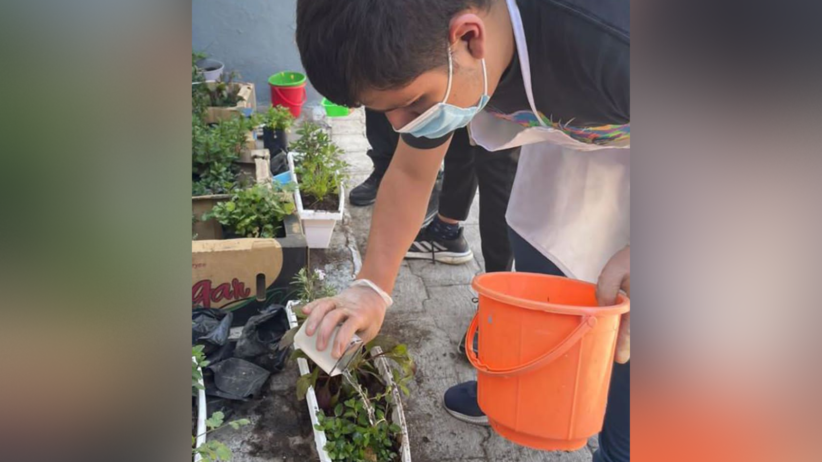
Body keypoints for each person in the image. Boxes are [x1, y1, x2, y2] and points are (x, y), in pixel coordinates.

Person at [295, 1, 630, 461]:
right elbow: (412, 172)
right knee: (545, 277)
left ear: (470, 37)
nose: (402, 125)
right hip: (586, 148)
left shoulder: (615, 40)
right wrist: (371, 287)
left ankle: (620, 444)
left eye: (411, 104)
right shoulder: (431, 46)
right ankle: (516, 385)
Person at [352, 109, 518, 270]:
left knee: (498, 165)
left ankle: (498, 286)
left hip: (511, 99)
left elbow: (409, 174)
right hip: (465, 91)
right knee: (462, 139)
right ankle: (445, 231)